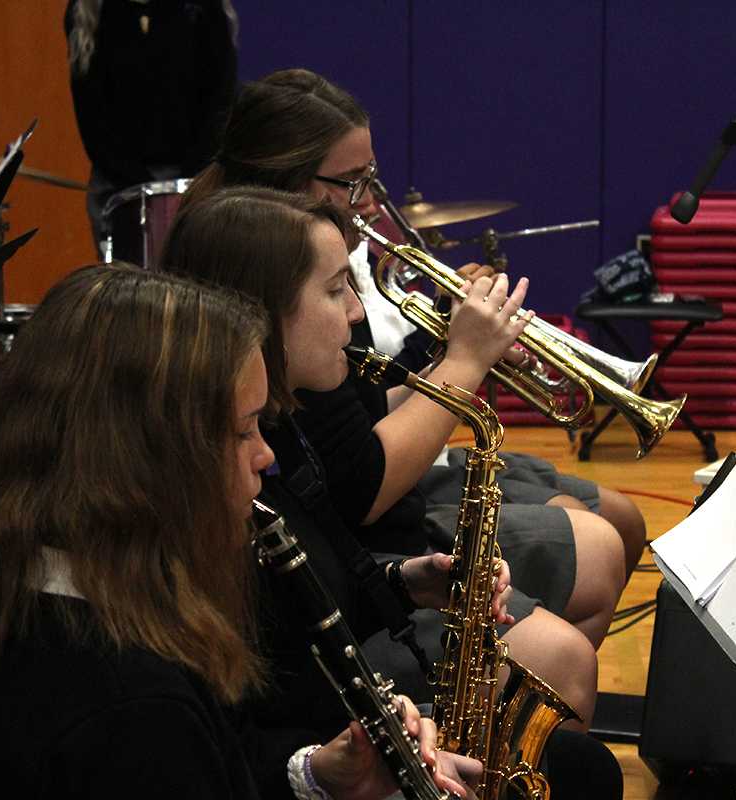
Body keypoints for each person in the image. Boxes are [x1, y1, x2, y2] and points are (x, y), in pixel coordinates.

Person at [0, 264, 478, 799]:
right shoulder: (132, 708)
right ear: (151, 460)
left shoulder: (44, 582)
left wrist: (316, 774)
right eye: (244, 431)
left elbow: (224, 754)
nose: (265, 456)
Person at [162, 186, 624, 799]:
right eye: (334, 290)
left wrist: (405, 582)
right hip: (314, 738)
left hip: (340, 703)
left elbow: (320, 576)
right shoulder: (221, 471)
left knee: (582, 764)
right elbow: (249, 709)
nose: (356, 312)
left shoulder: (284, 422)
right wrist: (323, 766)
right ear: (260, 311)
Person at [184, 67, 646, 655]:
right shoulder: (276, 294)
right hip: (362, 554)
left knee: (618, 523)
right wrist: (464, 362)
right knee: (594, 561)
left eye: (370, 178)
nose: (372, 202)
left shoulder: (307, 270)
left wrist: (445, 342)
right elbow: (363, 488)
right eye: (353, 182)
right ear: (284, 183)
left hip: (384, 531)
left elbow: (367, 404)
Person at [65, 0, 239, 254]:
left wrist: (189, 183)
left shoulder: (204, 7)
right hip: (117, 181)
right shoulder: (87, 9)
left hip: (197, 176)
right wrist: (140, 188)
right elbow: (92, 115)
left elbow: (220, 101)